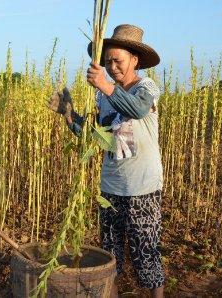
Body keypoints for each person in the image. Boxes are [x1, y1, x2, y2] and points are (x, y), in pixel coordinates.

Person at [47, 24, 164, 297]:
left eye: (117, 60)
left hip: (142, 187)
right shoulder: (103, 94)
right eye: (107, 61)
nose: (112, 67)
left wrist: (104, 85)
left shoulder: (146, 88)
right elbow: (97, 137)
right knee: (110, 259)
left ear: (134, 60)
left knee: (145, 254)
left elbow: (136, 110)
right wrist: (68, 114)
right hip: (111, 187)